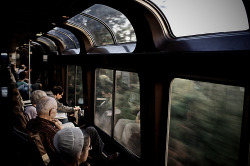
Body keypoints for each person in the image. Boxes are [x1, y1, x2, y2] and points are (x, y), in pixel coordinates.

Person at [26, 96, 63, 162]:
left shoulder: (30, 123)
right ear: (51, 111)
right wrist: (62, 130)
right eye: (56, 109)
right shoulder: (52, 131)